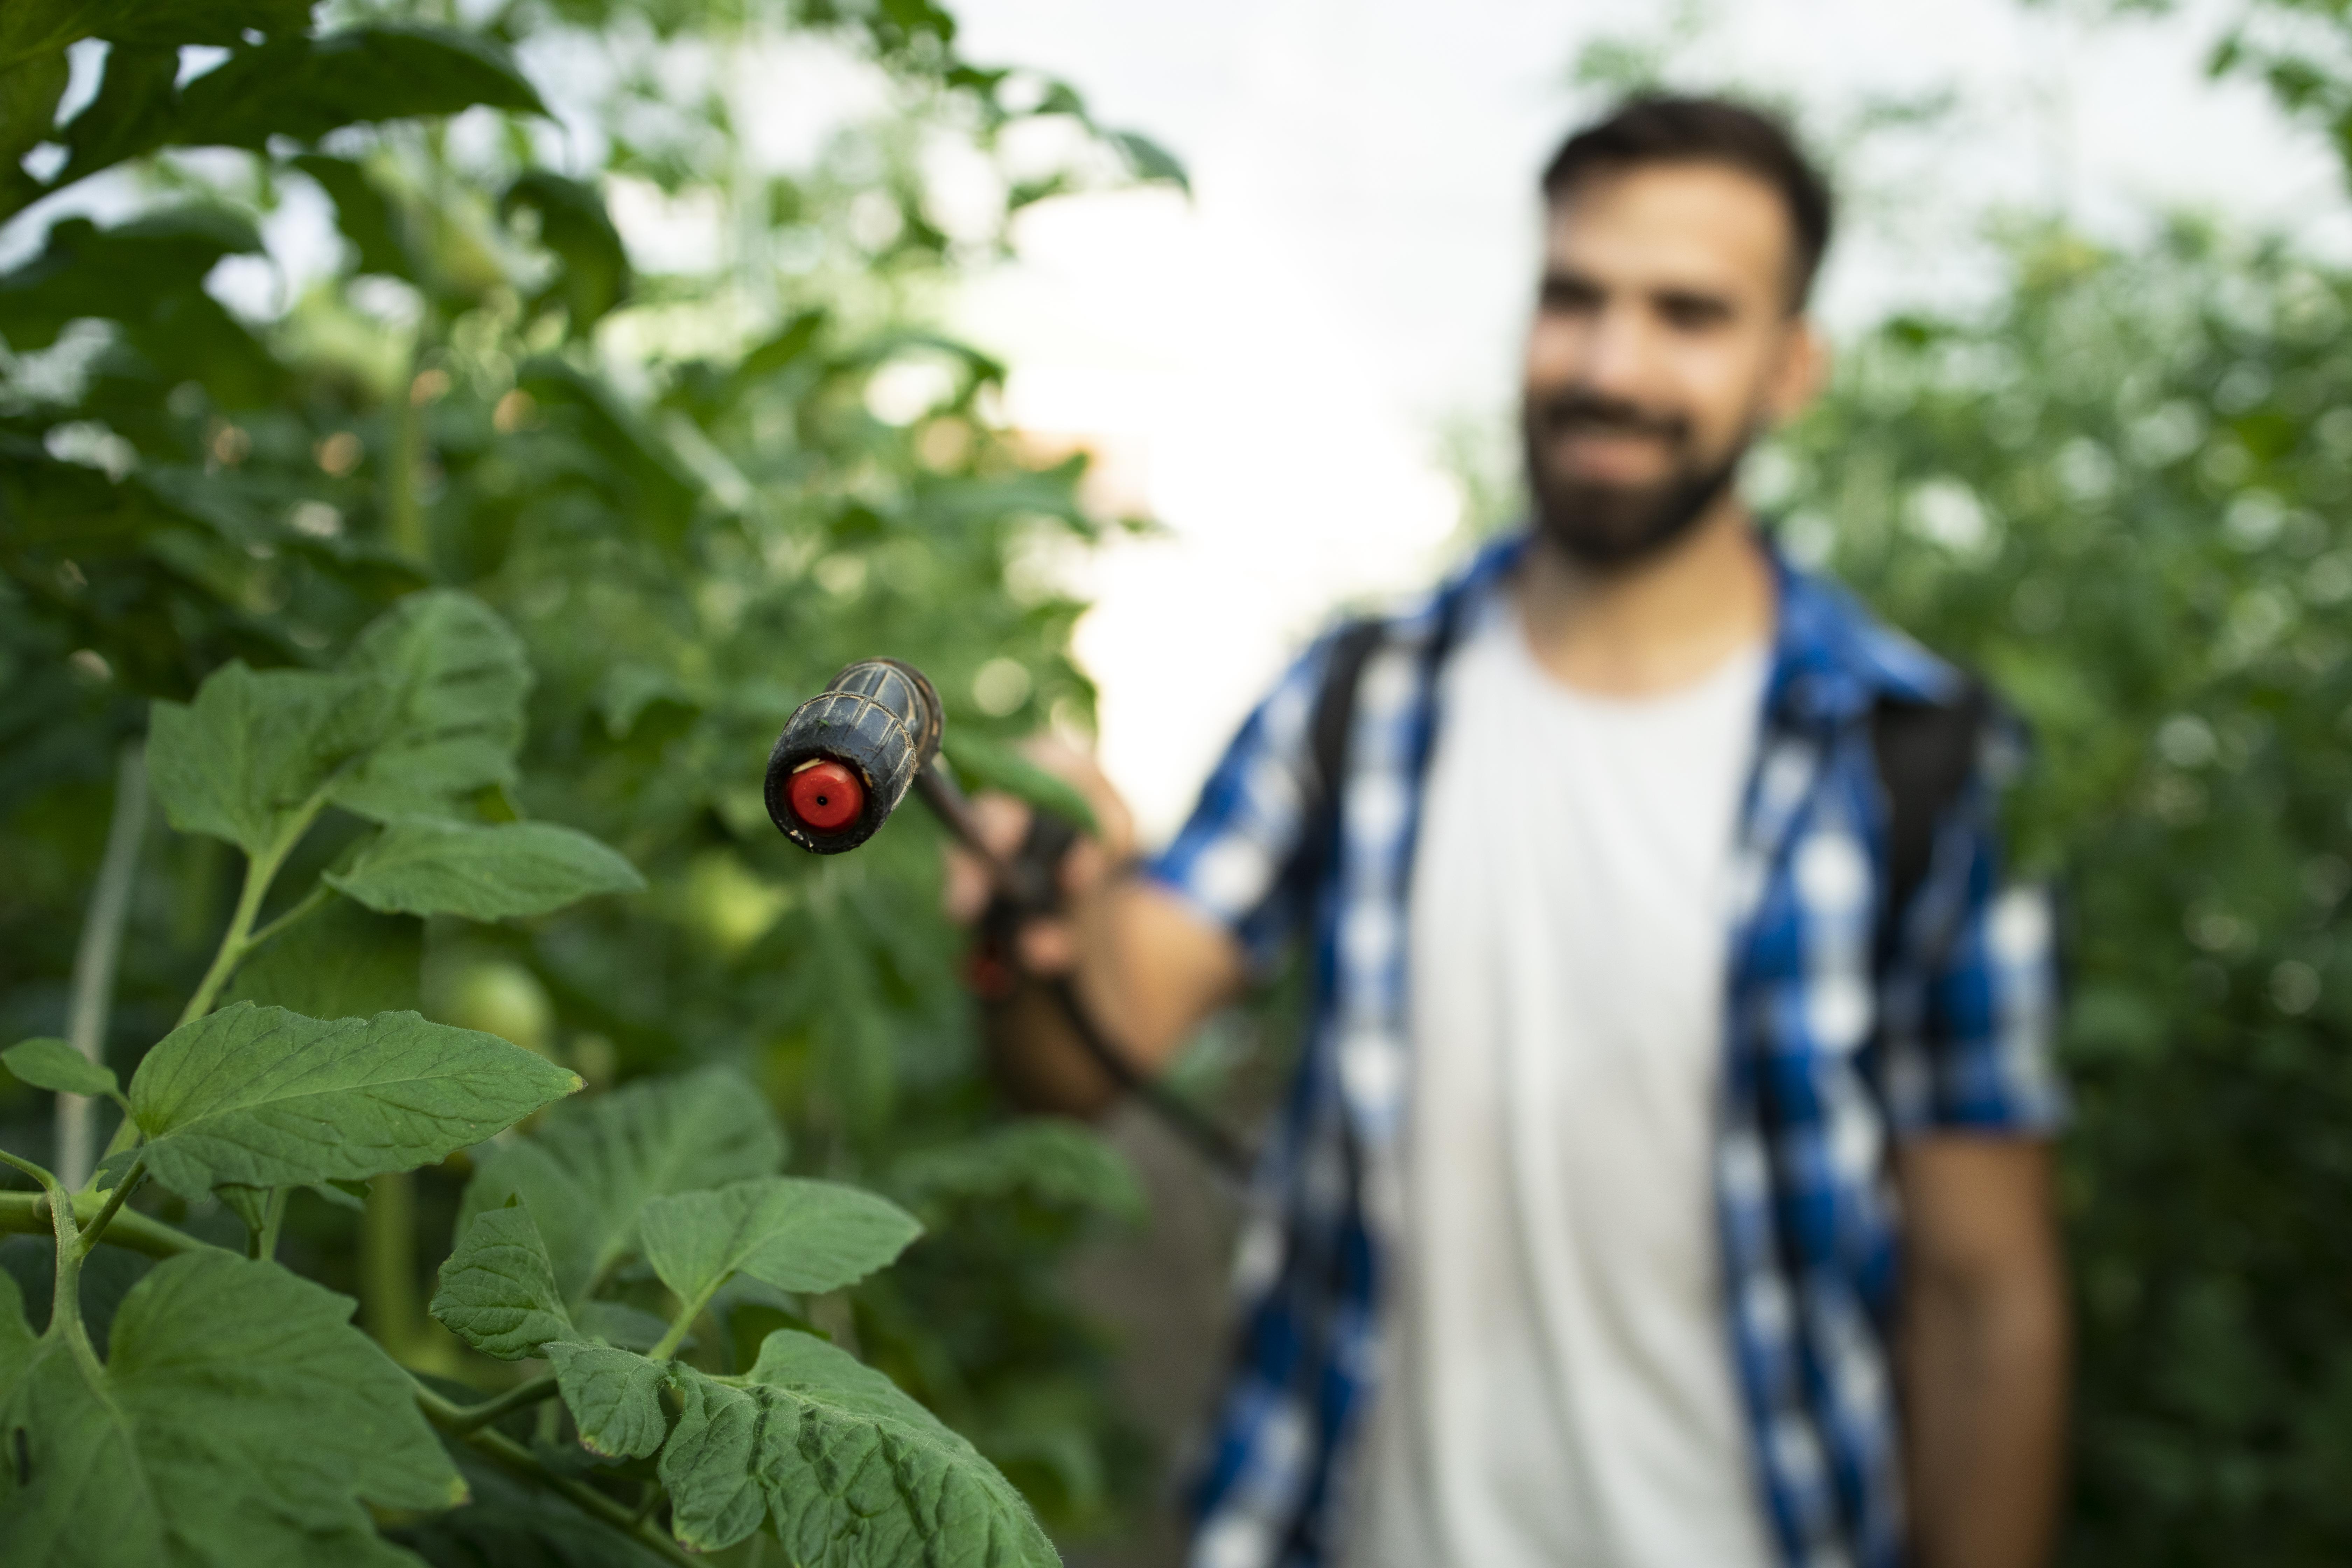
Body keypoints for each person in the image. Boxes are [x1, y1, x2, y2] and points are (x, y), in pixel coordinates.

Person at [947, 95, 2068, 1568]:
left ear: (1793, 367)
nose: (1612, 363)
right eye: (1574, 298)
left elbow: (1982, 1293)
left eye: (1687, 315)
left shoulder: (1915, 760)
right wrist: (1037, 927)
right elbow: (1082, 1064)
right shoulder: (1360, 700)